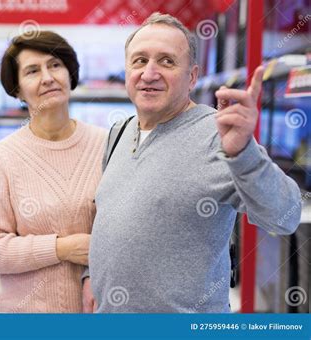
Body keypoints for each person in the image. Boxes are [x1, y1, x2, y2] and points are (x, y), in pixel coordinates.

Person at [83, 12, 302, 313]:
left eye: (167, 61)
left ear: (193, 76)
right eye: (139, 61)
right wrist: (91, 274)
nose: (149, 73)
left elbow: (285, 216)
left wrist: (244, 155)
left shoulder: (218, 134)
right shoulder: (119, 132)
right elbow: (108, 215)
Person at [0, 31, 106, 313]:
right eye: (32, 71)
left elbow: (123, 227)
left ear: (70, 73)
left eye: (55, 65)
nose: (47, 77)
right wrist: (61, 248)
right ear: (17, 90)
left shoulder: (108, 145)